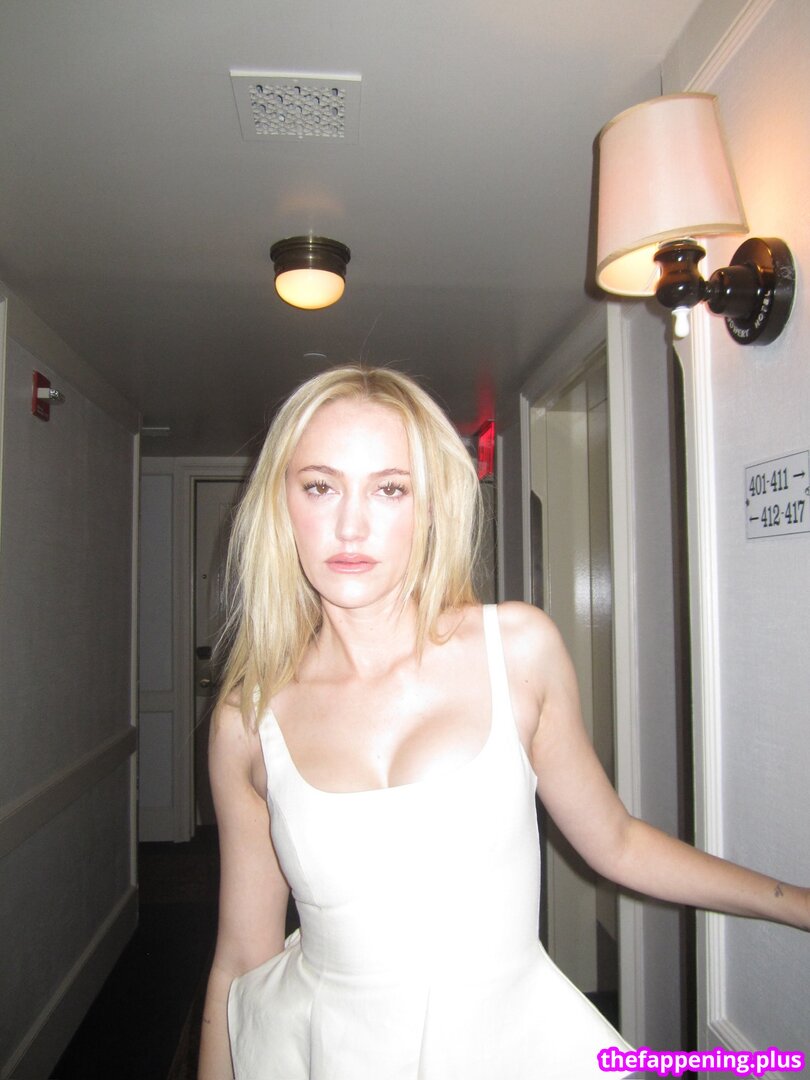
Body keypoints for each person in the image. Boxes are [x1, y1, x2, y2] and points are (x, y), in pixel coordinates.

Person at [198, 365, 808, 1080]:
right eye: (320, 486)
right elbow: (242, 957)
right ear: (282, 504)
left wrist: (795, 903)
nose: (351, 526)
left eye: (389, 489)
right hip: (323, 1051)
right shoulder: (247, 720)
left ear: (431, 507)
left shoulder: (516, 650)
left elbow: (617, 842)